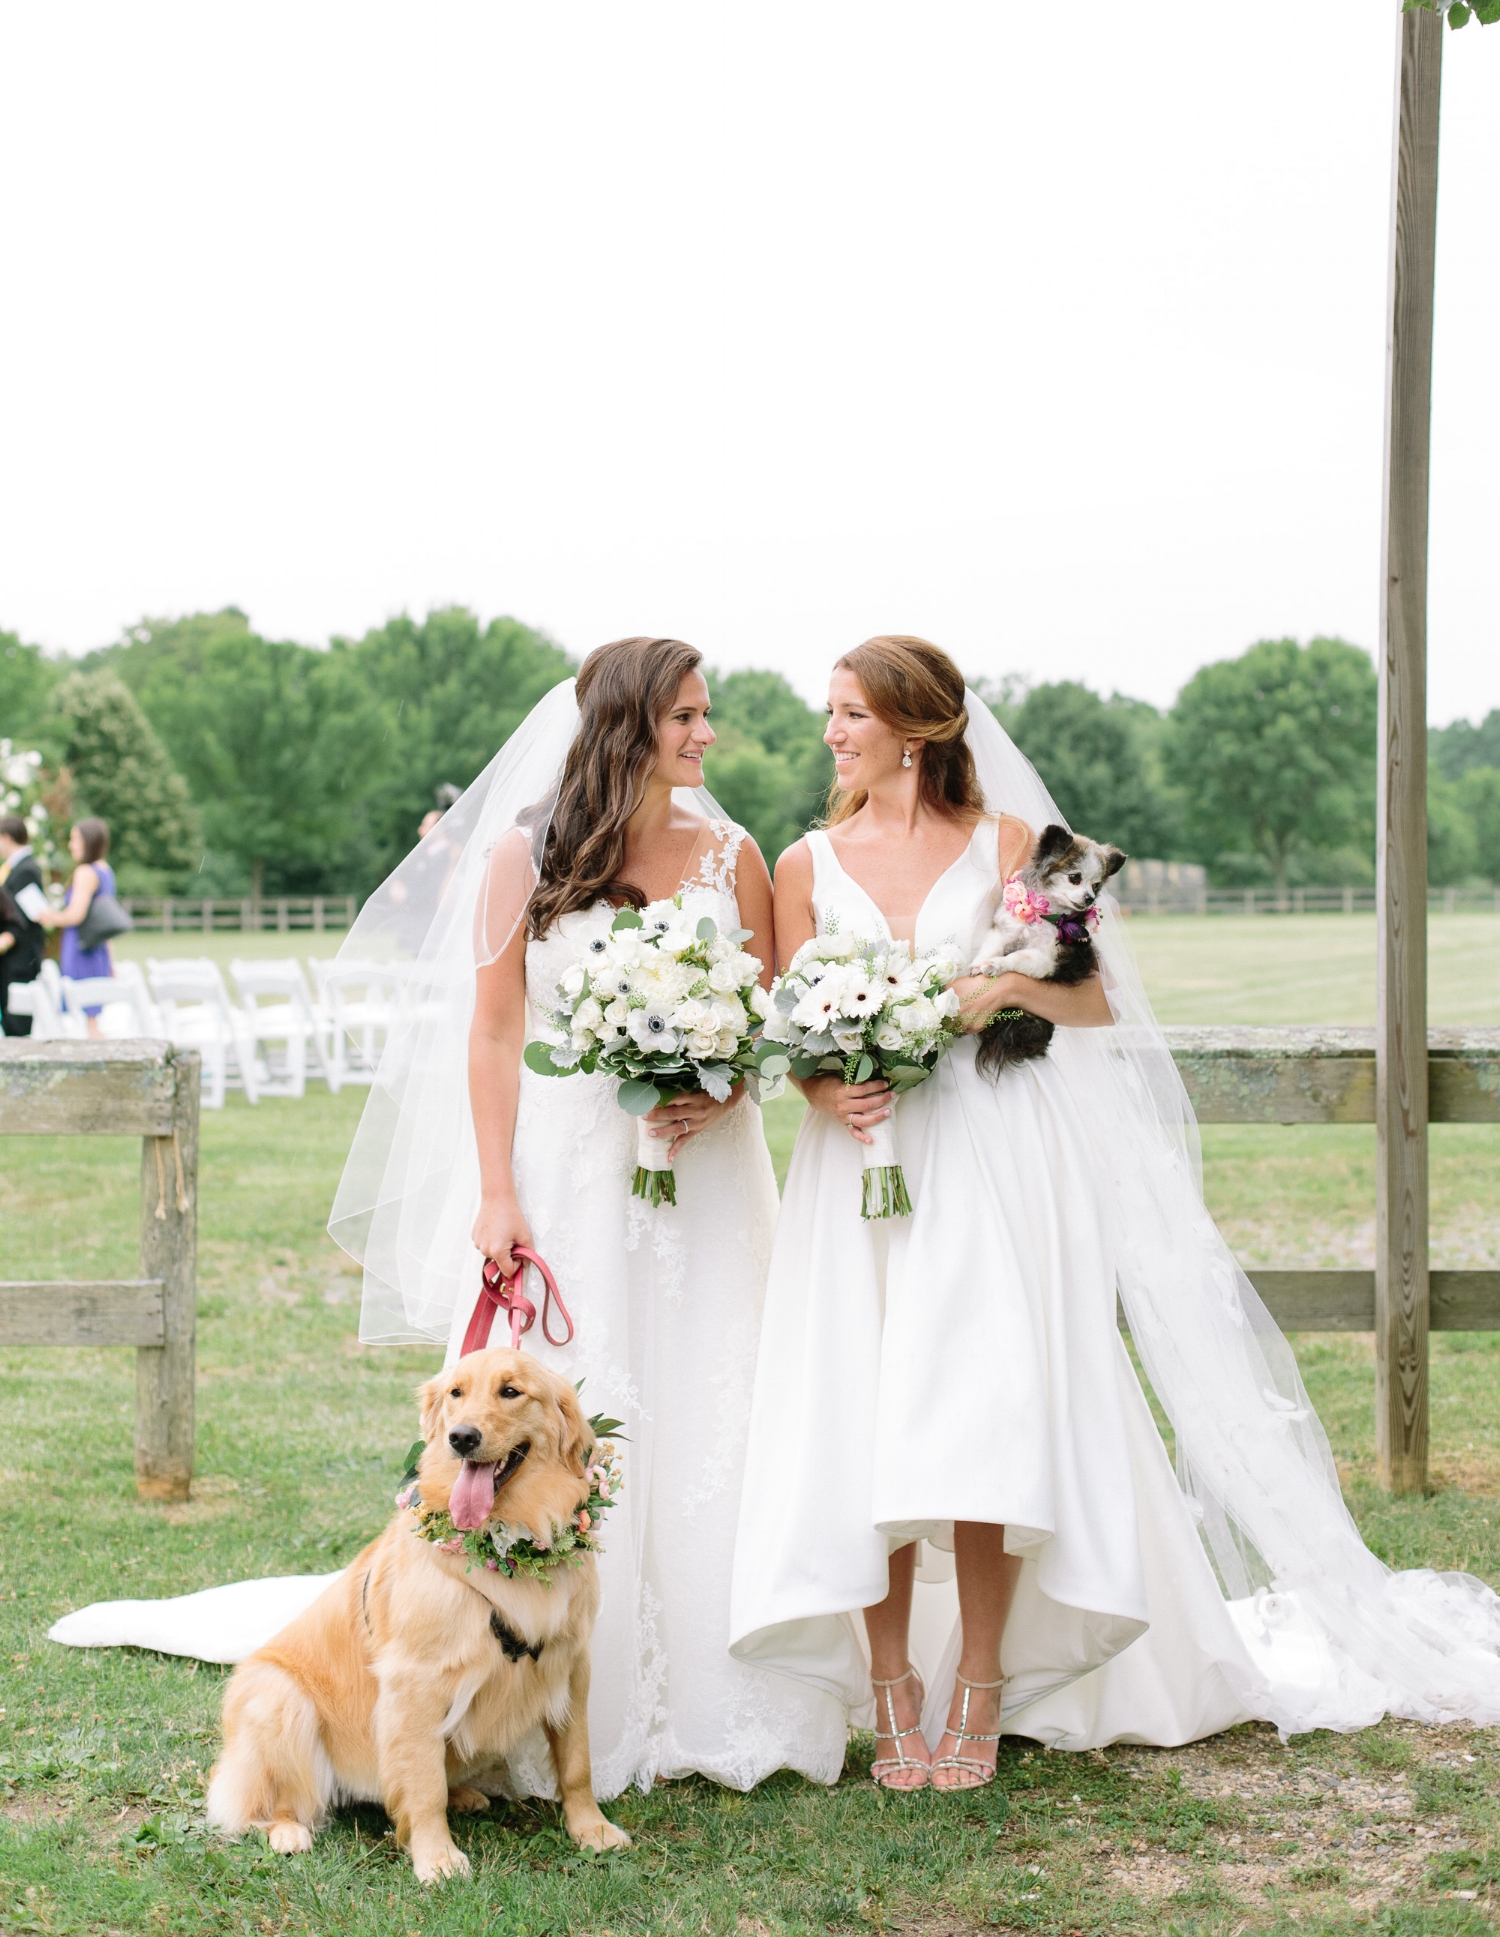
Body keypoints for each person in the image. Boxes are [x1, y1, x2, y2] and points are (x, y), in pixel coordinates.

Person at [55, 642, 845, 1803]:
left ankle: (728, 1689)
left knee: (716, 1391)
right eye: (687, 714)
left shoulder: (735, 858)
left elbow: (769, 1015)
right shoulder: (525, 853)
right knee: (568, 1405)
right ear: (628, 723)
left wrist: (719, 1086)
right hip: (571, 1163)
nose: (707, 734)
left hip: (710, 1172)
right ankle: (532, 1696)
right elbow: (489, 1031)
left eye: (706, 714)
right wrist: (494, 1190)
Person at [728, 635, 1500, 1780]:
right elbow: (785, 1021)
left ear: (920, 728)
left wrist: (989, 988)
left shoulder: (1010, 848)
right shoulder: (802, 862)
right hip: (859, 1161)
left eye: (852, 712)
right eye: (830, 711)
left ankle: (981, 1682)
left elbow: (1088, 1001)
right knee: (866, 1412)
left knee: (979, 1411)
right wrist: (830, 1082)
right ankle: (889, 1685)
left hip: (989, 1153)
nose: (833, 731)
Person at [37, 820, 117, 1036]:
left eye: (75, 840)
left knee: (84, 1017)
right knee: (92, 1017)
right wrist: (111, 960)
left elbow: (76, 915)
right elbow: (105, 922)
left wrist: (50, 917)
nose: (71, 845)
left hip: (82, 950)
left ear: (88, 842)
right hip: (98, 949)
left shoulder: (86, 872)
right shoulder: (105, 870)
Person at [0, 817, 48, 1037]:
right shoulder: (14, 868)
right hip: (11, 959)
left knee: (17, 1026)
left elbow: (31, 917)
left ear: (6, 837)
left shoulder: (26, 870)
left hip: (20, 960)